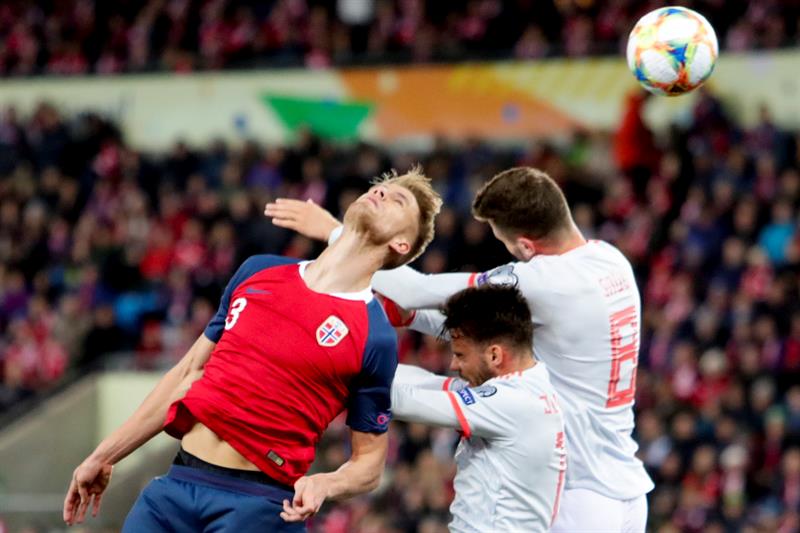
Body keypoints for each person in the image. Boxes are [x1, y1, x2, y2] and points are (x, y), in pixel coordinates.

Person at [265, 166, 654, 532]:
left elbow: (416, 291)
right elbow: (490, 331)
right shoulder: (609, 260)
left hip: (578, 494)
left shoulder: (544, 280)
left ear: (525, 244)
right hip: (623, 484)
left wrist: (336, 232)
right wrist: (412, 317)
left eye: (502, 242)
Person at [62, 169, 442, 532]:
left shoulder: (374, 335)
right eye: (379, 188)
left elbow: (370, 463)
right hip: (174, 487)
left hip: (258, 505)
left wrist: (326, 484)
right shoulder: (258, 271)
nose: (380, 192)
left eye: (398, 200)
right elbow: (187, 374)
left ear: (401, 244)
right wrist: (104, 455)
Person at [391, 285, 566, 532]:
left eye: (461, 355)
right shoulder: (525, 385)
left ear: (495, 355)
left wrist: (335, 363)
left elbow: (404, 401)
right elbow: (428, 384)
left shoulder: (511, 402)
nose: (453, 364)